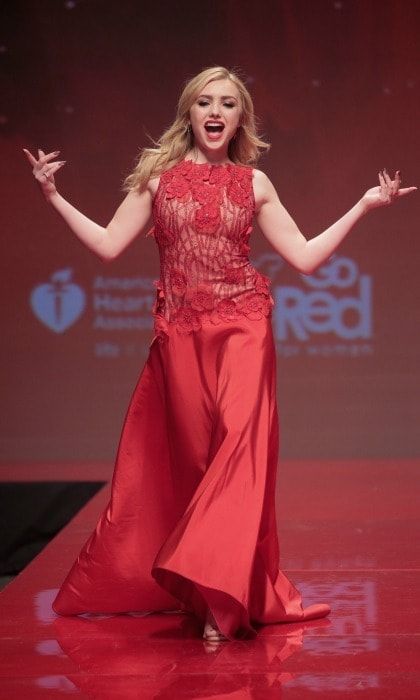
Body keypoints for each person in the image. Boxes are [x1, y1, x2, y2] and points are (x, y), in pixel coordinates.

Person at [23, 66, 416, 643]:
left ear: (239, 118)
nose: (215, 111)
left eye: (228, 103)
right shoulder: (158, 179)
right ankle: (207, 589)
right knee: (197, 468)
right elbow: (107, 246)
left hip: (244, 329)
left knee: (238, 450)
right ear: (189, 112)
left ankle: (220, 607)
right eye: (205, 101)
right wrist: (53, 194)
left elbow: (304, 257)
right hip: (180, 336)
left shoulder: (254, 183)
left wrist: (362, 205)